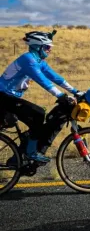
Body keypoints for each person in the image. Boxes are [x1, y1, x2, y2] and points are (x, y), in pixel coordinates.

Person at [0, 30, 82, 163]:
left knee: (36, 118)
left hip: (10, 97)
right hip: (4, 97)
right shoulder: (29, 60)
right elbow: (42, 80)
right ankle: (30, 153)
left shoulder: (38, 61)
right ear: (38, 46)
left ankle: (26, 147)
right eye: (47, 47)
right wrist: (60, 95)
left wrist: (75, 90)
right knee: (38, 114)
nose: (49, 50)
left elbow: (55, 77)